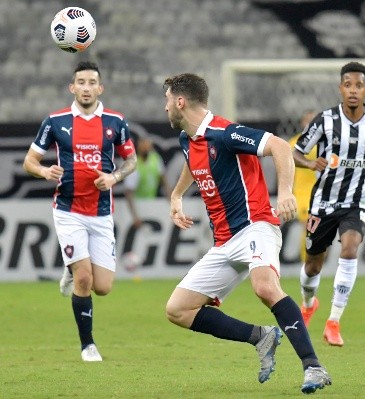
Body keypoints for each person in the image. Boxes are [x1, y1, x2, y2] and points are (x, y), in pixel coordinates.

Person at [162, 73, 331, 394]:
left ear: (180, 102)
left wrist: (284, 193)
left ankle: (314, 367)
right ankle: (261, 336)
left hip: (256, 226)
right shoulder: (189, 139)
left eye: (167, 99)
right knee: (178, 309)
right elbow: (191, 162)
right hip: (224, 241)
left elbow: (280, 146)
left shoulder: (225, 132)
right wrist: (177, 195)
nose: (165, 106)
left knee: (265, 288)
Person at [23, 61, 137, 362]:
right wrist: (44, 171)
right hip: (68, 210)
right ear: (72, 87)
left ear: (100, 88)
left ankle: (71, 266)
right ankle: (88, 345)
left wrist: (114, 177)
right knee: (85, 280)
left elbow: (131, 161)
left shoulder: (115, 121)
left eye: (92, 82)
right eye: (81, 82)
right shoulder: (55, 121)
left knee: (103, 287)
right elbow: (29, 162)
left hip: (101, 213)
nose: (86, 88)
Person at [293, 62, 365, 347]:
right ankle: (309, 302)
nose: (353, 90)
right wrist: (310, 162)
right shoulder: (324, 120)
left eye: (358, 85)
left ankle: (334, 321)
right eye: (348, 85)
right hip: (324, 202)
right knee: (313, 265)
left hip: (359, 201)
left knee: (350, 250)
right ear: (340, 88)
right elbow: (296, 152)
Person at [288, 109, 318, 263]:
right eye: (308, 120)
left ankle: (313, 262)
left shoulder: (326, 143)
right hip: (303, 193)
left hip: (323, 192)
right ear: (302, 123)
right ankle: (306, 262)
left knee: (319, 231)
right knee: (308, 227)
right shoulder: (294, 143)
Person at [123, 136, 172, 229]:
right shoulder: (134, 164)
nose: (146, 147)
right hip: (138, 204)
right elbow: (129, 192)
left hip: (152, 202)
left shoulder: (155, 158)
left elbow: (164, 181)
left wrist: (172, 201)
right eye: (143, 144)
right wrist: (134, 215)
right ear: (138, 147)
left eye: (148, 144)